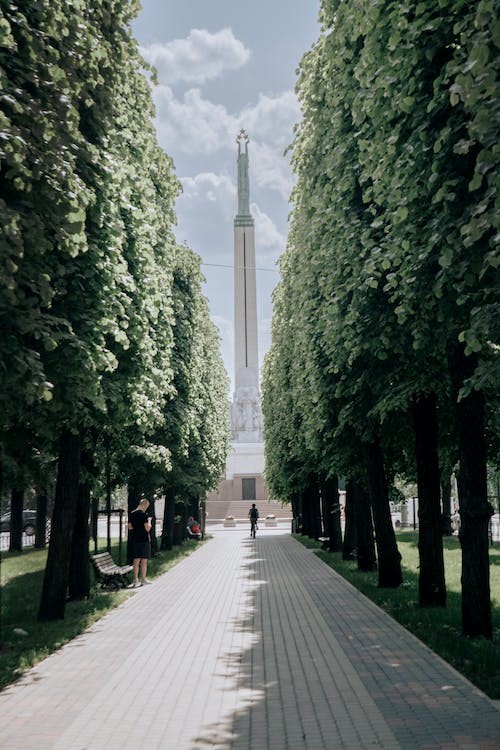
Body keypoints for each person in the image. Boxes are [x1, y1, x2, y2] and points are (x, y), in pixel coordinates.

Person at [127, 498, 152, 588]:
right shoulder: (143, 515)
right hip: (144, 539)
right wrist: (149, 520)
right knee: (144, 561)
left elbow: (130, 527)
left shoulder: (132, 513)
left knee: (136, 560)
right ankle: (143, 579)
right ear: (144, 505)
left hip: (135, 539)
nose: (146, 508)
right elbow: (147, 528)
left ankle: (135, 579)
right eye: (147, 506)